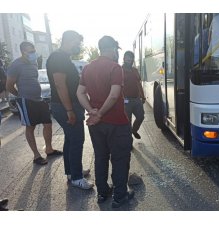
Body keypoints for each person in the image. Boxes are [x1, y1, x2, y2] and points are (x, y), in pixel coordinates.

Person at [77, 35, 134, 208]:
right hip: (116, 122)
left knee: (101, 157)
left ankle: (102, 193)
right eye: (117, 50)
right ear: (112, 49)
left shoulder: (87, 68)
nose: (117, 53)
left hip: (96, 125)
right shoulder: (115, 68)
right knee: (120, 159)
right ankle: (120, 196)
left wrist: (91, 111)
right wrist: (100, 113)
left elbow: (79, 93)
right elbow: (114, 94)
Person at [46, 31, 93, 190]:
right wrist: (69, 110)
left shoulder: (63, 58)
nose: (78, 46)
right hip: (66, 106)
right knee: (77, 140)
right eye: (77, 42)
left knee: (70, 140)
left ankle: (72, 172)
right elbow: (60, 85)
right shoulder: (58, 57)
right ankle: (77, 178)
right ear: (69, 40)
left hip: (68, 105)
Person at [6, 41, 62, 166]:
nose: (33, 54)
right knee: (30, 127)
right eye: (30, 52)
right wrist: (21, 96)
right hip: (26, 100)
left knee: (48, 123)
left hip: (39, 98)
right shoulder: (16, 65)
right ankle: (36, 156)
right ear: (23, 52)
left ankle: (49, 149)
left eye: (33, 51)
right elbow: (9, 85)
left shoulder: (33, 63)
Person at [122, 51, 145, 140]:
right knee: (127, 122)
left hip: (136, 99)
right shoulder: (120, 70)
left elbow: (138, 84)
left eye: (131, 58)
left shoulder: (134, 70)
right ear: (124, 59)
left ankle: (134, 130)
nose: (129, 60)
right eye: (127, 58)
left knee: (140, 117)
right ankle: (129, 142)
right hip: (125, 100)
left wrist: (142, 96)